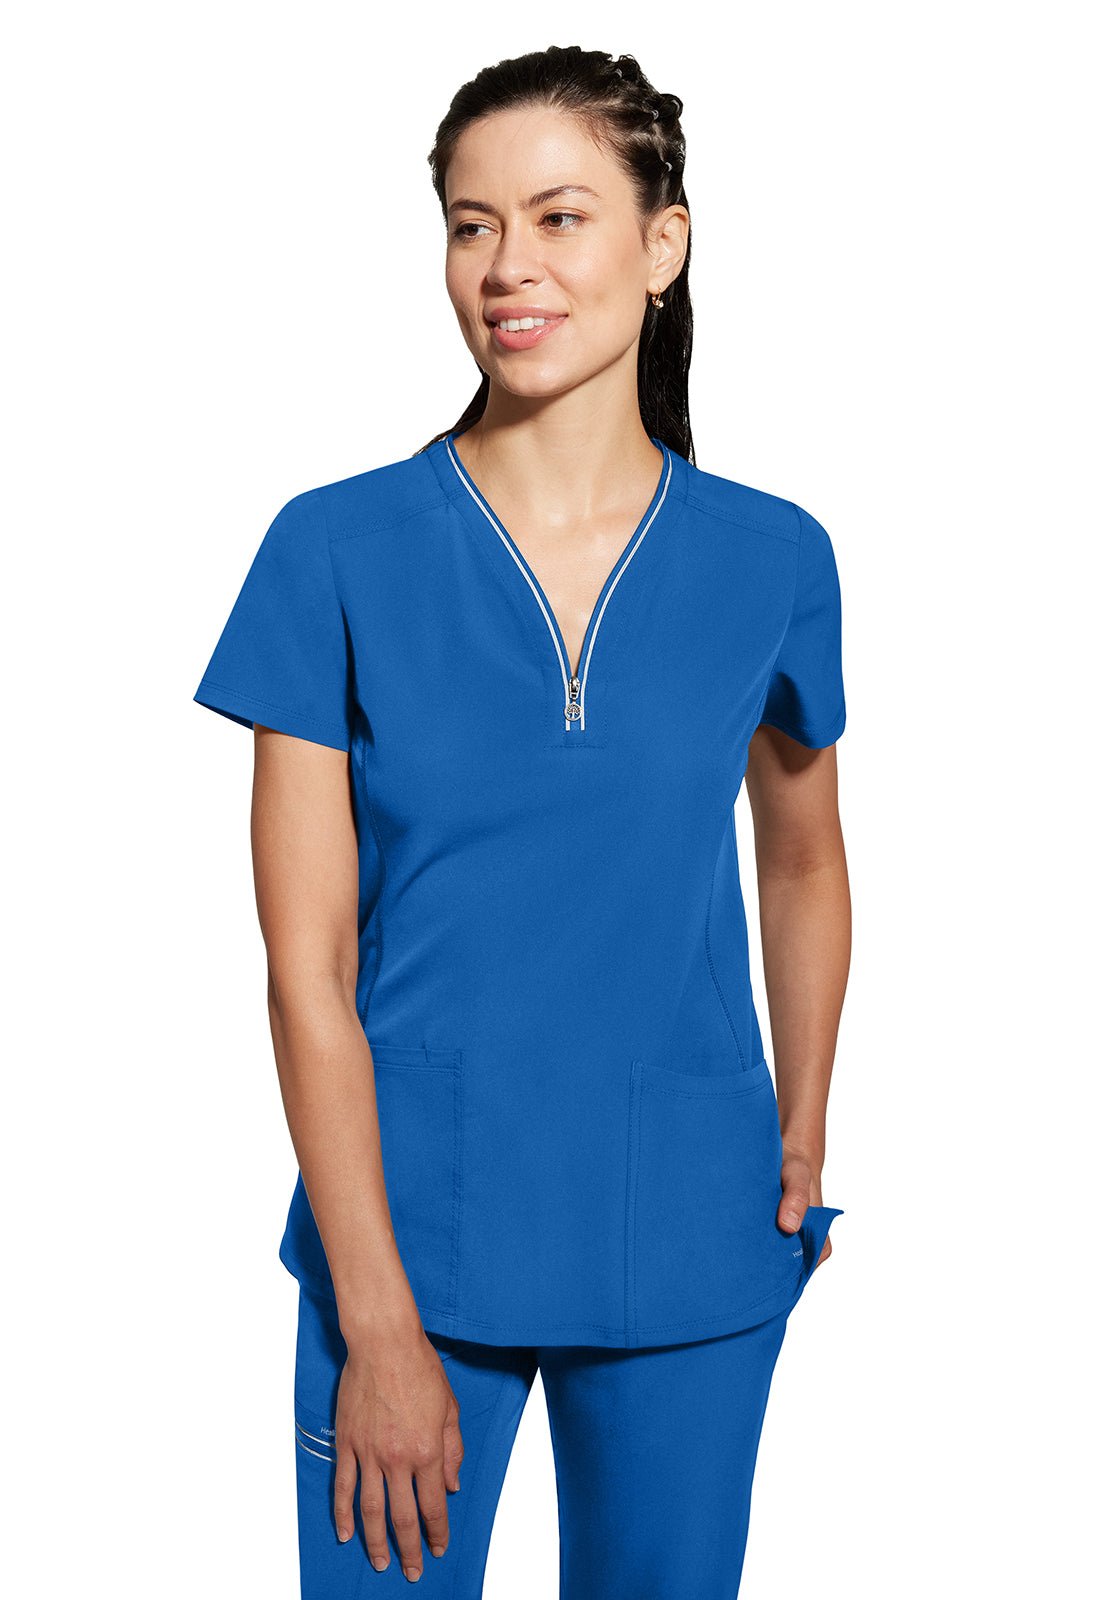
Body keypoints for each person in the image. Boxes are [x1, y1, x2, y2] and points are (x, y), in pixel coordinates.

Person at [193, 43, 851, 1600]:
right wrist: (375, 1318)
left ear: (662, 245)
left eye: (560, 218)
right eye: (471, 225)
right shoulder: (333, 550)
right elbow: (306, 968)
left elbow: (805, 857)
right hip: (407, 1240)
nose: (508, 268)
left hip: (690, 1229)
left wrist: (803, 1124)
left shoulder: (773, 556)